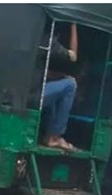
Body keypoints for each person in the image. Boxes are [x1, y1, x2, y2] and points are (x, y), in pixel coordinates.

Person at [40, 23, 80, 151]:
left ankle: (48, 136)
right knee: (70, 84)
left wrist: (60, 76)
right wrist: (73, 24)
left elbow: (43, 73)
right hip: (34, 94)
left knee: (56, 93)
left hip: (20, 92)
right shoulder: (48, 41)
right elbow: (73, 56)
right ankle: (55, 137)